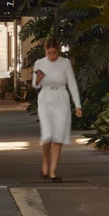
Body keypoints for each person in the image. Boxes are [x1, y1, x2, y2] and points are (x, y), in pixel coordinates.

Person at [32, 38, 82, 182]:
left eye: (54, 53)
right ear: (45, 51)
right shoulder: (40, 63)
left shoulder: (65, 63)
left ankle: (53, 171)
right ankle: (45, 163)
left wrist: (77, 105)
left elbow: (72, 84)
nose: (52, 56)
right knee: (47, 135)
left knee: (58, 135)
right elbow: (35, 86)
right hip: (46, 98)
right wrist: (38, 80)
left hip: (61, 98)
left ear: (58, 51)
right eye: (49, 53)